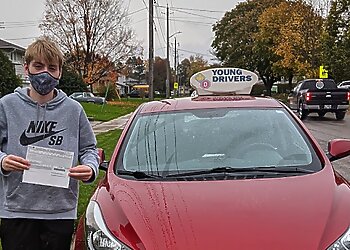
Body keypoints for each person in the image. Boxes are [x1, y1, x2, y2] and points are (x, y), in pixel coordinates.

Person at [0, 37, 99, 250]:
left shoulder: (74, 110)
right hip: (17, 209)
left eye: (52, 68)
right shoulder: (7, 106)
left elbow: (89, 148)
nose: (45, 73)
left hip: (60, 211)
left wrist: (90, 168)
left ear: (59, 73)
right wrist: (3, 161)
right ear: (26, 69)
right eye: (38, 66)